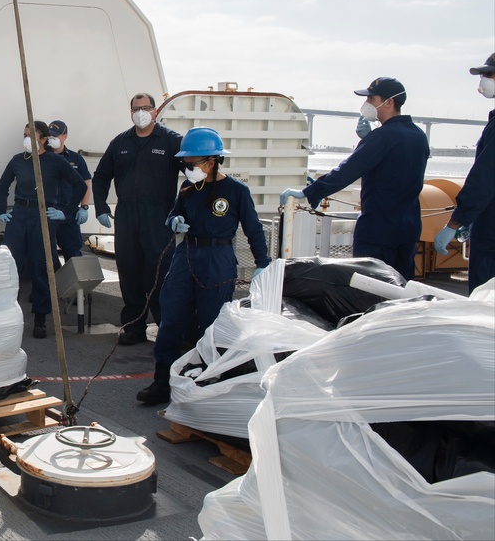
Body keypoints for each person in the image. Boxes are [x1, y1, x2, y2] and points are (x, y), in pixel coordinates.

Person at [137, 128, 270, 404]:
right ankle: (162, 381)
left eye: (192, 163)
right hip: (186, 255)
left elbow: (254, 229)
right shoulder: (187, 189)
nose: (188, 168)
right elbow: (174, 213)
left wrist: (263, 263)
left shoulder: (236, 191)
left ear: (212, 161)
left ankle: (208, 384)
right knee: (171, 318)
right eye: (185, 164)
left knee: (212, 324)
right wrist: (173, 221)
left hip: (218, 258)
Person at [281, 77, 429, 281]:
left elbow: (350, 169)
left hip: (378, 229)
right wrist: (369, 140)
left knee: (370, 289)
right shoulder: (419, 136)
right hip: (408, 229)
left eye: (371, 98)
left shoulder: (383, 136)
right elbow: (395, 168)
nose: (367, 103)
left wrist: (311, 191)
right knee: (402, 289)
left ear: (389, 102)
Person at [91, 92, 184, 344]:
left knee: (159, 273)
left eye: (146, 107)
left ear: (155, 111)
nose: (141, 112)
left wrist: (182, 210)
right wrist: (100, 206)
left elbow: (194, 175)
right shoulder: (120, 142)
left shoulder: (171, 141)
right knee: (129, 271)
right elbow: (100, 176)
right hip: (127, 217)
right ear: (130, 112)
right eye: (136, 108)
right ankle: (133, 327)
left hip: (159, 217)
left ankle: (167, 327)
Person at [0, 121, 87, 338]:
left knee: (40, 268)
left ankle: (40, 318)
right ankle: (7, 315)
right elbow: (3, 185)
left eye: (31, 135)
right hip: (19, 214)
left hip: (43, 216)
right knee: (11, 267)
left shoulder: (55, 162)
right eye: (25, 134)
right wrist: (1, 210)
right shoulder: (18, 160)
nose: (27, 139)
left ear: (44, 139)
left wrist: (65, 211)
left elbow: (80, 185)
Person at [435, 53, 495, 292]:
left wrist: (456, 221)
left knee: (483, 307)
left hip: (491, 236)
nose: (483, 81)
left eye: (489, 75)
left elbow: (485, 177)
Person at [48, 120, 92, 265]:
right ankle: (54, 285)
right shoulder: (42, 157)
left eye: (55, 136)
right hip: (48, 213)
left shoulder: (75, 158)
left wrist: (84, 207)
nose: (51, 139)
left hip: (68, 213)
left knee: (73, 254)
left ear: (64, 136)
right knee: (47, 254)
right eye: (49, 135)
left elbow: (86, 183)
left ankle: (75, 288)